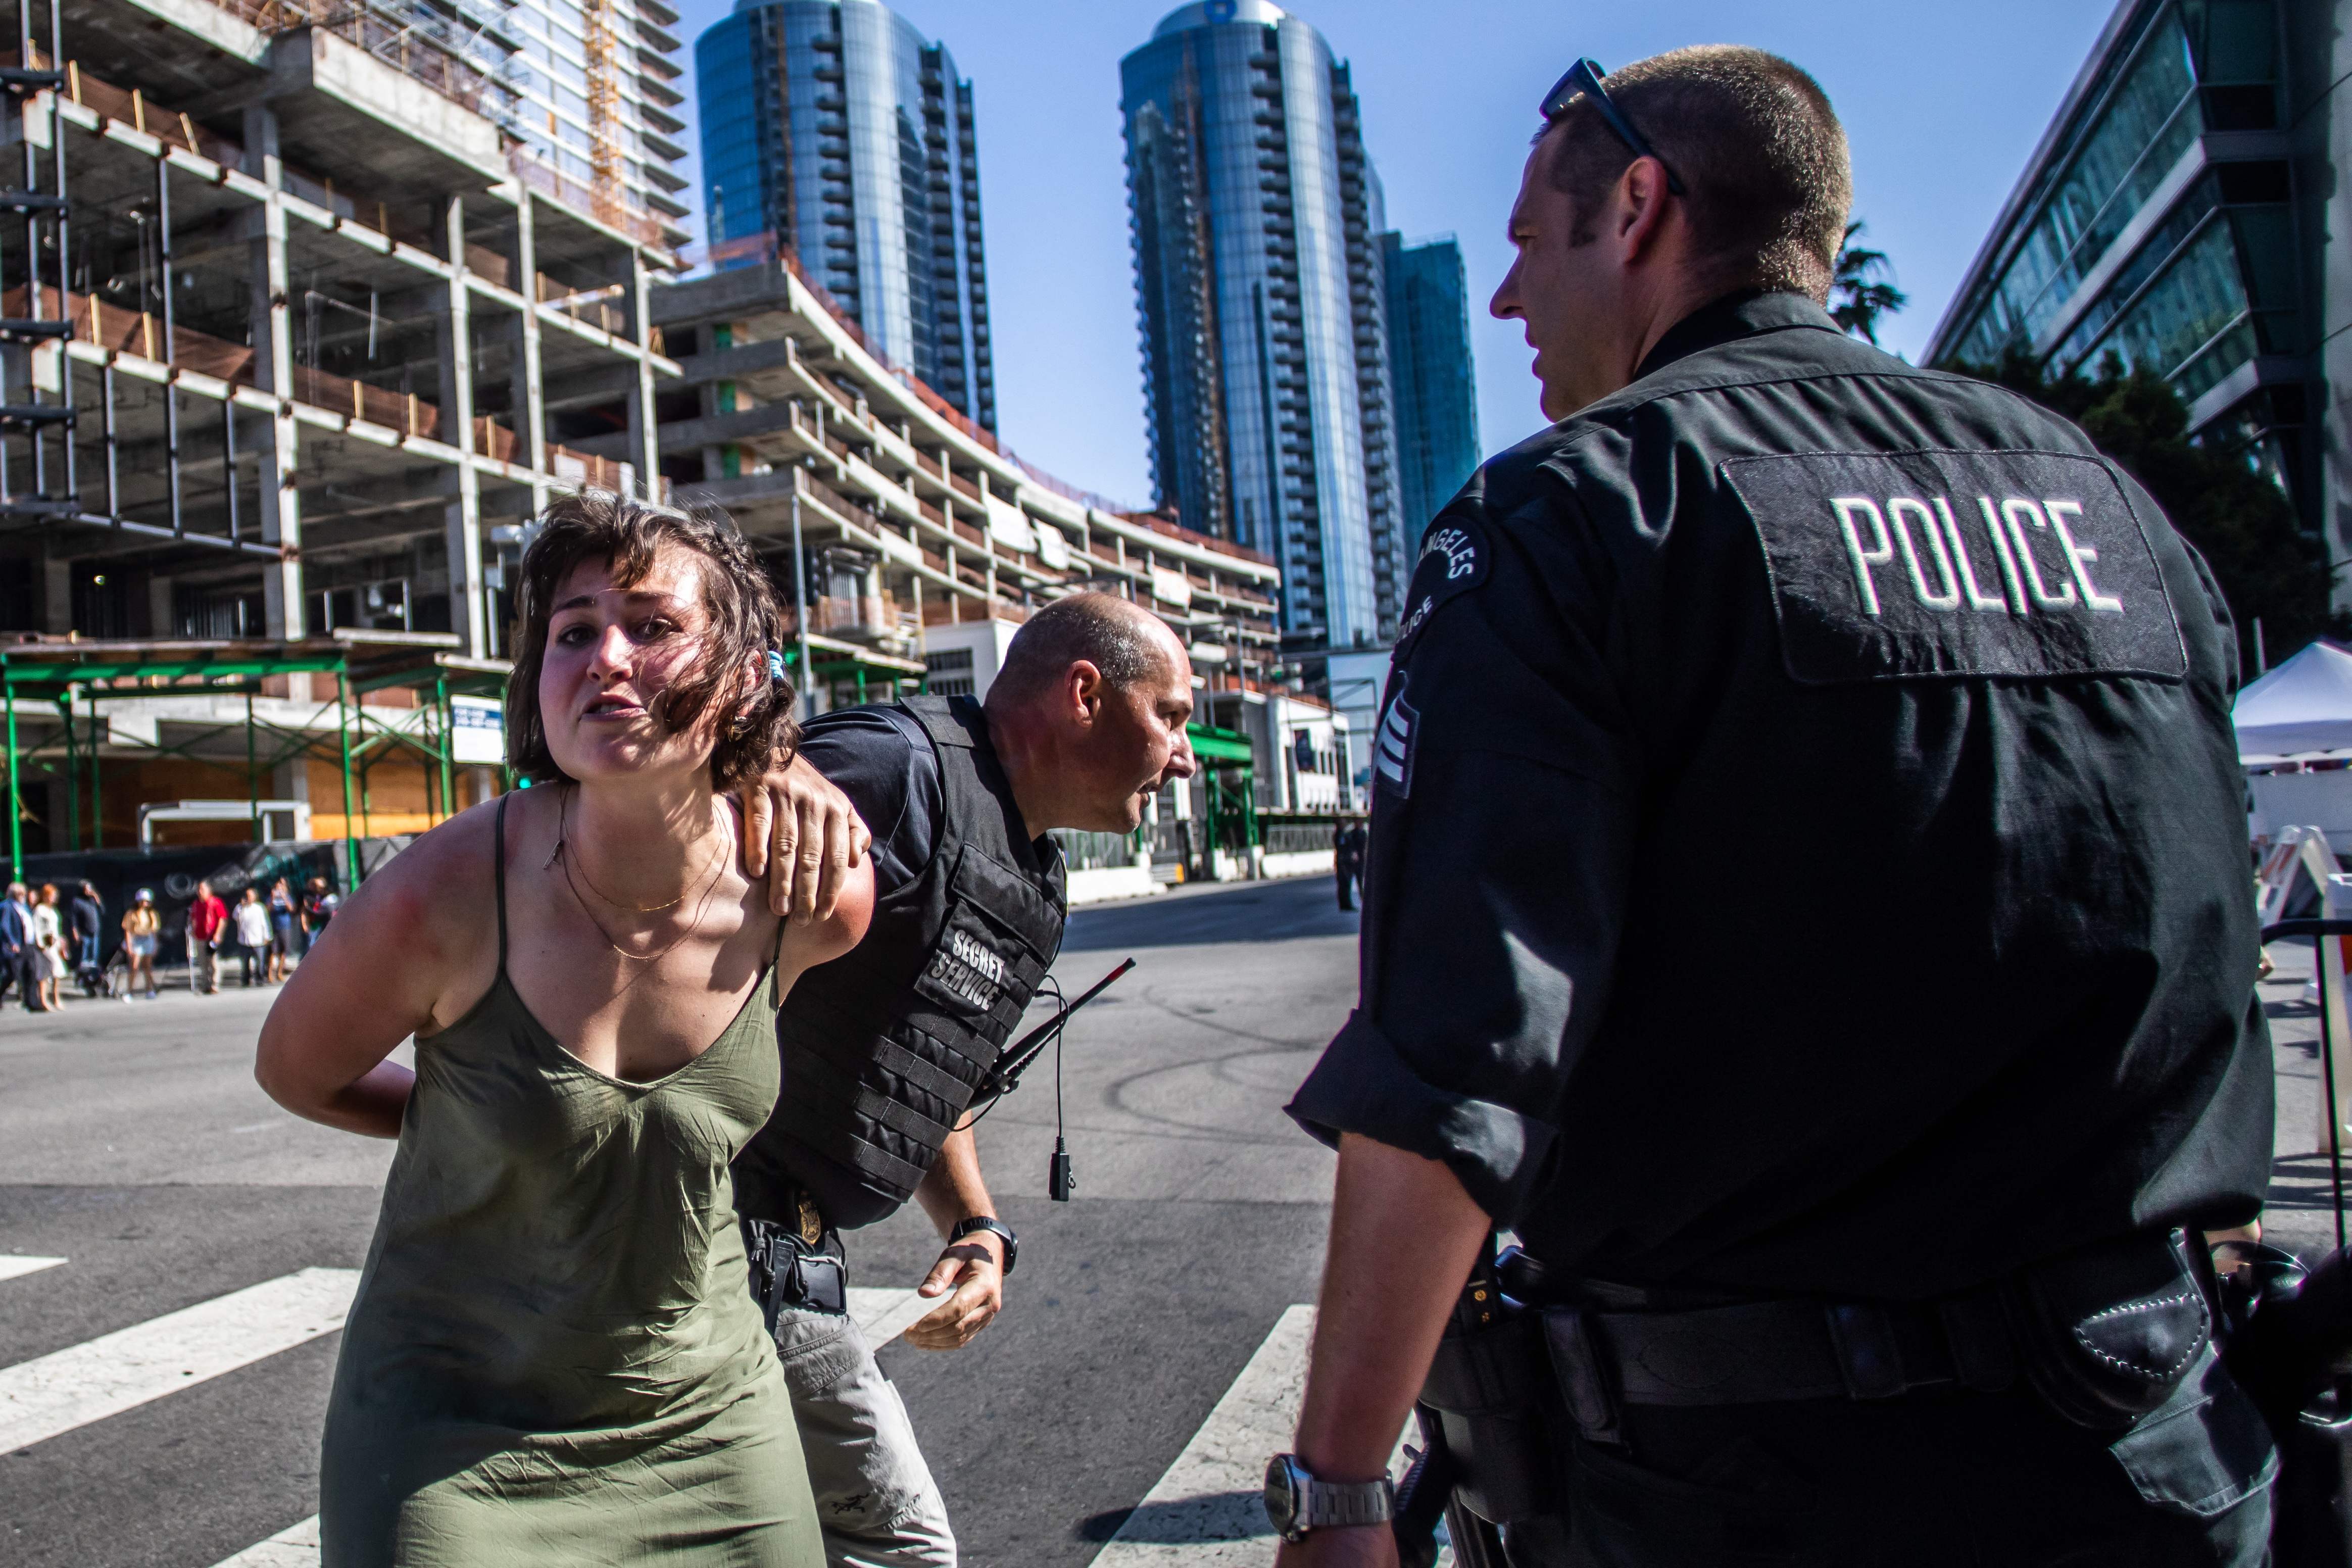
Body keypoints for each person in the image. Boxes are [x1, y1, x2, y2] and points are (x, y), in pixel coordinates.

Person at [1272, 47, 2275, 1568]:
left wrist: (1336, 1489)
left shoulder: (1570, 515)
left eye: (1523, 250)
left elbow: (1454, 1059)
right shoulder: (2105, 502)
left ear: (1638, 204)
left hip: (1748, 1484)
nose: (1503, 305)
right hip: (2160, 1454)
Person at [255, 492, 873, 1567]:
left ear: (740, 675)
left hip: (710, 1416)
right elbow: (297, 1072)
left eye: (653, 625)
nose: (606, 657)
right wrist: (471, 1124)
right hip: (450, 1435)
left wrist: (789, 758)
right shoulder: (443, 892)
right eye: (574, 631)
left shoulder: (811, 896)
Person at [727, 592, 1198, 1567]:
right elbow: (660, 917)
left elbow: (927, 1068)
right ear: (1085, 694)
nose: (1185, 754)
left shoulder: (1029, 872)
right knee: (898, 1547)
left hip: (792, 1257)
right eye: (1173, 715)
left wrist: (976, 1226)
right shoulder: (896, 770)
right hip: (709, 1238)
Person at [186, 879, 226, 994]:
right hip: (200, 937)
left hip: (212, 937)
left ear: (209, 890)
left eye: (202, 889)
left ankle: (215, 985)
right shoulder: (196, 904)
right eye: (199, 889)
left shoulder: (216, 902)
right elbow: (193, 919)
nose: (200, 892)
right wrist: (193, 930)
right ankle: (205, 984)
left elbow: (222, 919)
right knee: (203, 962)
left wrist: (218, 934)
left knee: (213, 961)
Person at [1, 882, 35, 1011]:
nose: (23, 896)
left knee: (31, 972)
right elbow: (5, 926)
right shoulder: (7, 906)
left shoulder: (24, 907)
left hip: (28, 944)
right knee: (13, 973)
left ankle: (31, 1002)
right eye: (20, 894)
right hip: (16, 946)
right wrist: (12, 942)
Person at [122, 889, 160, 1000]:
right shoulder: (131, 913)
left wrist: (155, 945)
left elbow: (154, 931)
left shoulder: (152, 914)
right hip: (136, 940)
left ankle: (149, 990)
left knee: (148, 967)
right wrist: (129, 945)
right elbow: (128, 930)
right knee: (134, 967)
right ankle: (129, 991)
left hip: (148, 940)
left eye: (147, 901)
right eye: (143, 901)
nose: (145, 903)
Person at [231, 888, 272, 987]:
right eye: (247, 895)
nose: (248, 898)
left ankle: (260, 979)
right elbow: (235, 917)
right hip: (244, 940)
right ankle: (246, 980)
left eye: (250, 896)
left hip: (258, 940)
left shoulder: (259, 908)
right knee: (245, 962)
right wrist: (242, 906)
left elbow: (265, 923)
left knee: (260, 962)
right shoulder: (240, 908)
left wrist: (267, 936)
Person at [69, 881, 104, 994]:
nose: (88, 891)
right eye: (86, 889)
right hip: (84, 934)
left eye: (90, 889)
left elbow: (102, 911)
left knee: (94, 959)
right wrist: (76, 932)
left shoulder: (93, 900)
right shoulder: (77, 901)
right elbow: (74, 919)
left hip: (95, 934)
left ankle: (93, 979)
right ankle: (80, 980)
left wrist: (97, 899)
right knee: (84, 960)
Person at [266, 877, 297, 981]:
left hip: (285, 926)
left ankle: (280, 972)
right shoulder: (271, 897)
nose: (280, 887)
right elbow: (268, 910)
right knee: (273, 951)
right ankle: (270, 974)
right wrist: (272, 898)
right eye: (278, 885)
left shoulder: (287, 897)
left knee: (284, 951)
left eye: (282, 885)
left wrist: (284, 897)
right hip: (274, 926)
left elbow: (291, 909)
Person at [1332, 821, 1366, 912]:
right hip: (1344, 863)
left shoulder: (1344, 834)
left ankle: (1346, 904)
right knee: (1345, 883)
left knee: (1347, 883)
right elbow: (1342, 848)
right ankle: (1345, 904)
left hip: (1346, 862)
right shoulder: (1341, 835)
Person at [301, 875, 339, 950]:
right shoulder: (315, 897)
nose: (315, 888)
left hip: (330, 926)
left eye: (316, 886)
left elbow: (322, 911)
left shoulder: (331, 897)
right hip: (318, 926)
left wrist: (309, 908)